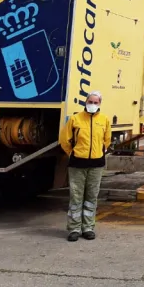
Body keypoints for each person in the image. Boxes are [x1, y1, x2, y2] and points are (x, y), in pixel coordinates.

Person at [59, 90, 112, 242]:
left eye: (96, 103)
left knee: (91, 197)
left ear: (99, 104)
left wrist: (100, 152)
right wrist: (72, 153)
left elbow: (107, 140)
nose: (93, 105)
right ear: (86, 102)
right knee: (76, 196)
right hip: (77, 163)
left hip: (96, 164)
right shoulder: (75, 119)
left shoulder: (104, 120)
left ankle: (88, 228)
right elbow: (65, 139)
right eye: (90, 102)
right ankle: (74, 229)